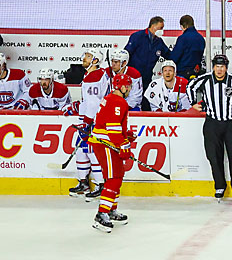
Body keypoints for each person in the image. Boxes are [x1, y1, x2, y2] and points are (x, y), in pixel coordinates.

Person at [189, 55, 232, 203]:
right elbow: (190, 86)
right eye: (217, 66)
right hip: (212, 123)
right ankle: (219, 186)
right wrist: (193, 103)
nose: (219, 69)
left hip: (231, 123)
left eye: (222, 66)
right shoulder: (205, 79)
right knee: (214, 156)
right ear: (213, 67)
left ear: (226, 68)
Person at [89, 72, 137, 233]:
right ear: (122, 87)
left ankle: (111, 209)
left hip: (108, 143)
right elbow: (112, 128)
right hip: (106, 145)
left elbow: (112, 124)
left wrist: (126, 136)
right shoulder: (118, 102)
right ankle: (101, 214)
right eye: (128, 86)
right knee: (113, 178)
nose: (130, 89)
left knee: (117, 176)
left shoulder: (111, 99)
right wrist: (124, 145)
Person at [71, 50, 108, 199]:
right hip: (88, 117)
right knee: (81, 150)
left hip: (94, 120)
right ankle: (84, 183)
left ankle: (100, 184)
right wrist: (77, 107)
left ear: (95, 60)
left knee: (92, 151)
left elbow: (94, 102)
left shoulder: (94, 76)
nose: (83, 58)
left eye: (88, 56)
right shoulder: (92, 74)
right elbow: (89, 100)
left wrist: (86, 122)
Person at [124, 16, 171, 83]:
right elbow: (127, 54)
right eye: (160, 28)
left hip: (147, 77)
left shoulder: (159, 41)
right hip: (132, 77)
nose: (162, 31)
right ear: (153, 26)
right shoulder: (137, 36)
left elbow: (169, 55)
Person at [171, 14, 205, 79]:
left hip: (183, 72)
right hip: (196, 72)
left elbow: (175, 57)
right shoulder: (201, 38)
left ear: (183, 26)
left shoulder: (182, 38)